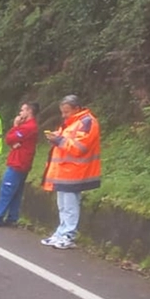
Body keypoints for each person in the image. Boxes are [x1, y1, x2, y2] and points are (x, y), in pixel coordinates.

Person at [40, 95, 101, 249]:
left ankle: (68, 235)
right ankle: (61, 233)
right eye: (62, 112)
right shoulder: (72, 123)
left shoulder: (87, 122)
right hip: (64, 172)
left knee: (71, 206)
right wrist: (56, 139)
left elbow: (80, 147)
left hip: (75, 172)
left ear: (77, 109)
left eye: (66, 112)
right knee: (63, 205)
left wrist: (59, 140)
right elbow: (66, 143)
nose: (64, 115)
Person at [0, 102, 40, 228]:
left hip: (18, 162)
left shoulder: (28, 127)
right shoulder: (27, 126)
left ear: (29, 111)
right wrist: (14, 140)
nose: (20, 113)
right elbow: (12, 140)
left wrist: (15, 126)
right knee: (16, 191)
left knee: (7, 190)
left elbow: (9, 138)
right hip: (22, 162)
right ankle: (12, 218)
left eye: (22, 110)